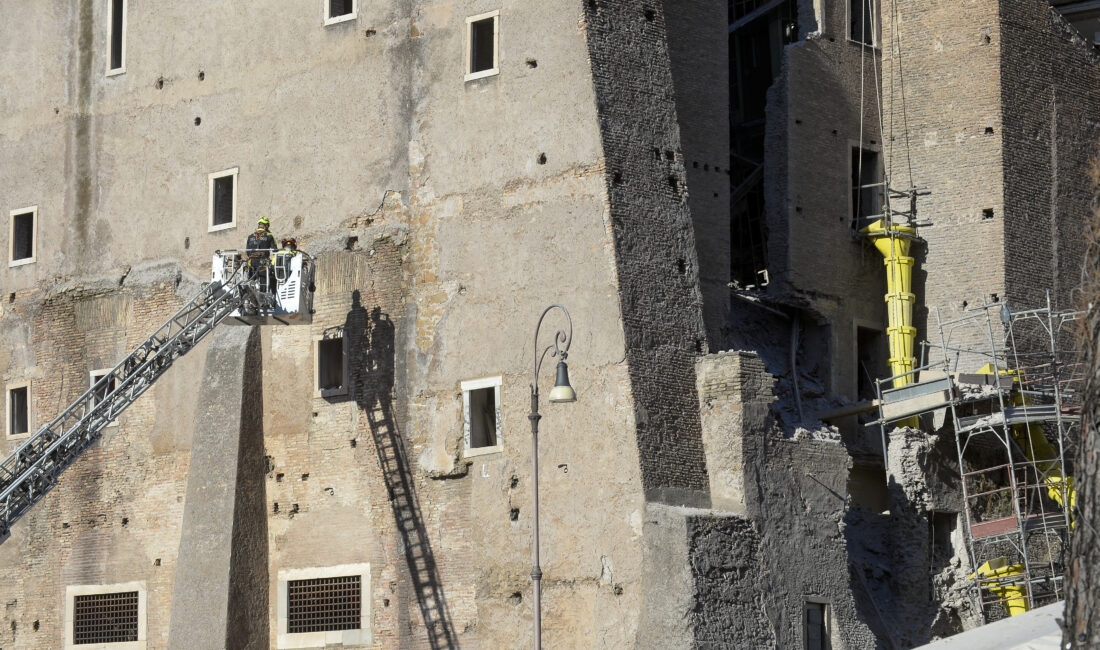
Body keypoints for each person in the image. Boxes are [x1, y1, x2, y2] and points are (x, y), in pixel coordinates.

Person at [245, 217, 277, 291]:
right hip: (263, 264)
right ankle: (263, 296)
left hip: (251, 263)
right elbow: (275, 251)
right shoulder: (269, 236)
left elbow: (247, 251)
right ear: (266, 225)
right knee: (263, 285)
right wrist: (273, 264)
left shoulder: (250, 236)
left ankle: (250, 296)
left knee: (250, 284)